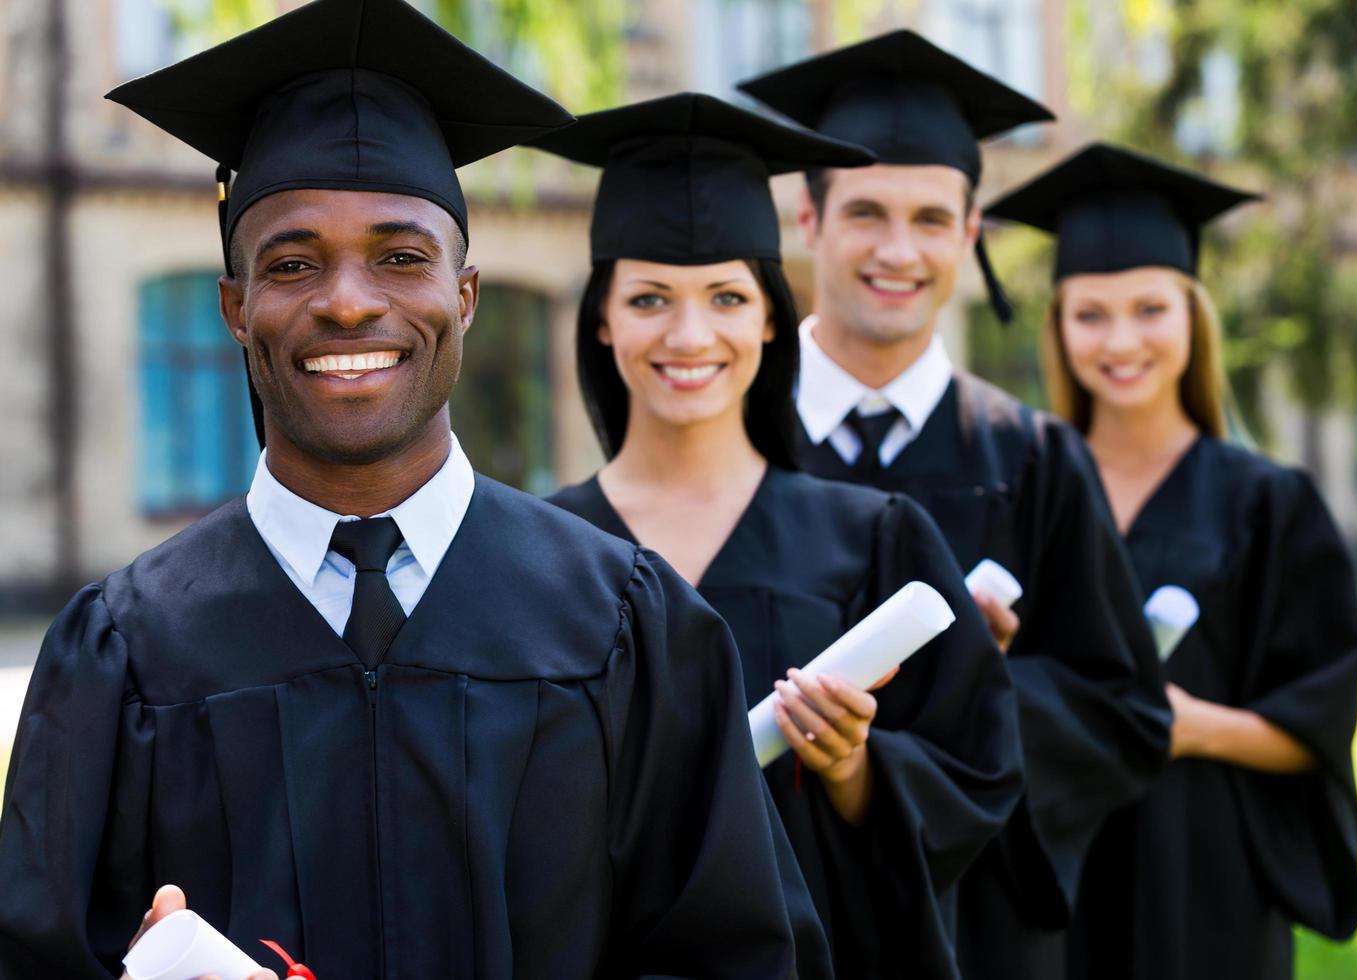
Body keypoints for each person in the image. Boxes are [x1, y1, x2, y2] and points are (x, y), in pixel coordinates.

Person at [0, 2, 810, 977]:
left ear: (462, 295)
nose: (347, 298)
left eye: (399, 256)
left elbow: (733, 952)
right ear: (236, 307)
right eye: (293, 262)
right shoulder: (121, 651)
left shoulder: (629, 625)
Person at [536, 92, 1026, 979]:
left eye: (725, 296)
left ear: (768, 315)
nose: (690, 335)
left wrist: (854, 769)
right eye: (649, 298)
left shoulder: (875, 538)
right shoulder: (538, 553)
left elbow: (980, 772)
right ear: (602, 318)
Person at [738, 32, 1173, 979]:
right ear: (807, 221)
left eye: (931, 219)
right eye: (866, 213)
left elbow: (1125, 715)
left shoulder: (1034, 459)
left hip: (978, 929)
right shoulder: (727, 441)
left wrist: (973, 684)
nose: (899, 251)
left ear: (970, 233)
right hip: (766, 910)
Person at [986, 142, 1357, 979]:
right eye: (1089, 313)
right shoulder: (1020, 489)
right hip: (1050, 861)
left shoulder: (1266, 501)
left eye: (1149, 309)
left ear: (1192, 316)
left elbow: (1317, 721)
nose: (1120, 340)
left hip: (1203, 868)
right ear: (1057, 326)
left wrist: (1191, 727)